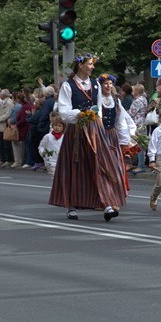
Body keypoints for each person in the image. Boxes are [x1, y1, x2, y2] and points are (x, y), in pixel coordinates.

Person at [49, 52, 128, 221]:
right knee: (74, 168)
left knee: (101, 164)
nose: (92, 67)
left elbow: (98, 107)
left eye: (93, 64)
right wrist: (80, 114)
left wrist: (95, 120)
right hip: (76, 130)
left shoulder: (95, 85)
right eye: (90, 64)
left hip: (94, 129)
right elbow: (63, 112)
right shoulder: (68, 86)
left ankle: (107, 203)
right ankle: (71, 205)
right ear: (80, 65)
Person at [38, 114, 65, 178]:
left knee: (62, 178)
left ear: (63, 127)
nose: (57, 127)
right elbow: (41, 146)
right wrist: (44, 153)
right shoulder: (48, 136)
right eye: (55, 125)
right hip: (51, 161)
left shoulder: (64, 137)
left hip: (62, 161)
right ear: (52, 126)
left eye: (59, 126)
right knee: (55, 178)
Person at [0, 89, 14, 167]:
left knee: (6, 144)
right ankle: (2, 159)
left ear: (4, 95)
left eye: (1, 94)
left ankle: (8, 159)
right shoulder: (3, 102)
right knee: (0, 144)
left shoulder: (9, 103)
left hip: (4, 125)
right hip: (0, 126)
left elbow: (7, 114)